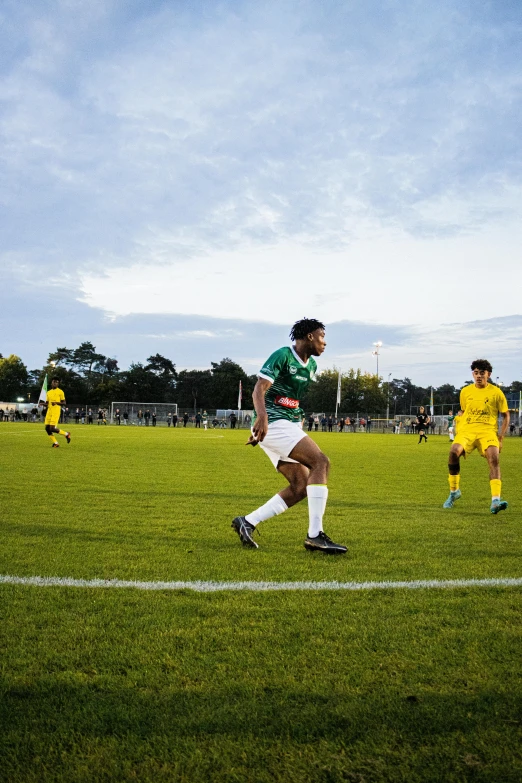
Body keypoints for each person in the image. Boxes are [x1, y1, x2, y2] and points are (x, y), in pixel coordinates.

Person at [231, 317, 347, 555]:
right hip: (273, 421)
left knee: (300, 485)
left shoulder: (311, 367)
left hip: (286, 424)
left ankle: (247, 521)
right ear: (310, 336)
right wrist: (262, 418)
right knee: (321, 462)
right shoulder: (283, 355)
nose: (325, 343)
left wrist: (297, 423)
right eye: (322, 337)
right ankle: (315, 536)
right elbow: (259, 388)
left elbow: (292, 401)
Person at [443, 359, 509, 514]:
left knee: (494, 457)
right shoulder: (465, 391)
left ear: (489, 374)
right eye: (476, 373)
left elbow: (506, 415)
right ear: (473, 374)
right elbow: (465, 410)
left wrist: (500, 438)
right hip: (468, 430)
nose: (478, 376)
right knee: (453, 452)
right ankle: (454, 492)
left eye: (482, 373)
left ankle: (495, 501)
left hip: (487, 431)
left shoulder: (496, 392)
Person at [39, 376, 71, 448]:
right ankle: (56, 443)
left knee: (52, 428)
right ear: (51, 383)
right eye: (54, 382)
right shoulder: (49, 392)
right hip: (49, 411)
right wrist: (42, 404)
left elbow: (64, 403)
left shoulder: (60, 392)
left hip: (56, 411)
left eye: (57, 382)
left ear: (58, 384)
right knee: (47, 428)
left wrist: (56, 403)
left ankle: (66, 434)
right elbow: (47, 403)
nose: (55, 383)